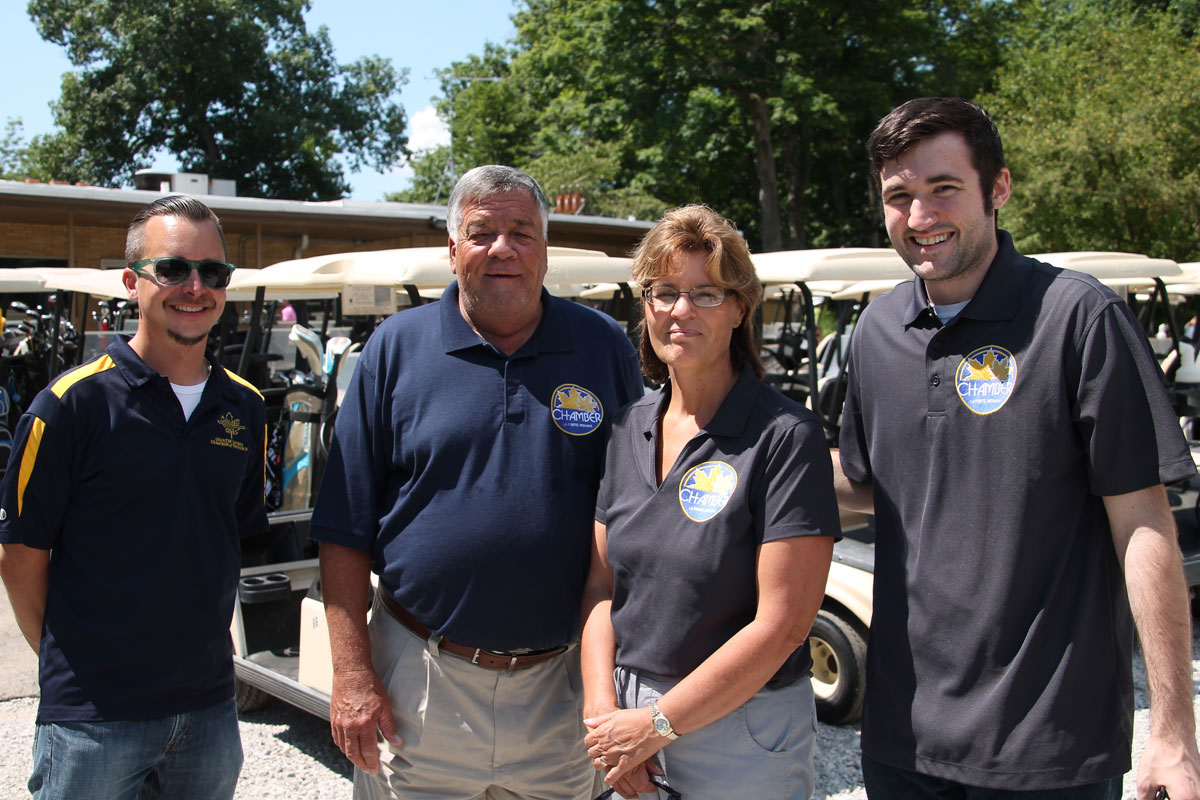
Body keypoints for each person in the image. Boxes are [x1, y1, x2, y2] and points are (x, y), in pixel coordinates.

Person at [836, 97, 1200, 799]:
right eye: (898, 196)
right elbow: (864, 484)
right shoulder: (877, 329)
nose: (920, 217)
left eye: (944, 189)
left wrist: (1173, 735)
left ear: (997, 188)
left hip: (1046, 742)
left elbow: (1143, 523)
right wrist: (736, 465)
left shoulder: (1077, 316)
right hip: (902, 737)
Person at [310, 165, 644, 800]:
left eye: (522, 231)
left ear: (546, 248)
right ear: (453, 247)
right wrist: (352, 672)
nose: (503, 249)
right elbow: (343, 525)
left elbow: (636, 506)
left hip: (565, 681)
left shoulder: (602, 346)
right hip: (421, 682)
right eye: (482, 231)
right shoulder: (393, 349)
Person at [0, 194, 268, 799]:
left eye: (213, 272)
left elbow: (233, 536)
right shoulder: (70, 406)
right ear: (131, 282)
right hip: (95, 717)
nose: (194, 287)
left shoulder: (247, 410)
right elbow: (20, 557)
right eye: (172, 269)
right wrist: (81, 668)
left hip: (208, 710)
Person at [581, 205, 839, 799]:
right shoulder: (627, 429)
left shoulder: (783, 436)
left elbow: (783, 626)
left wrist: (656, 725)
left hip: (739, 724)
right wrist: (604, 718)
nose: (680, 311)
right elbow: (600, 588)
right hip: (622, 717)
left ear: (740, 307)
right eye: (664, 292)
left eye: (706, 294)